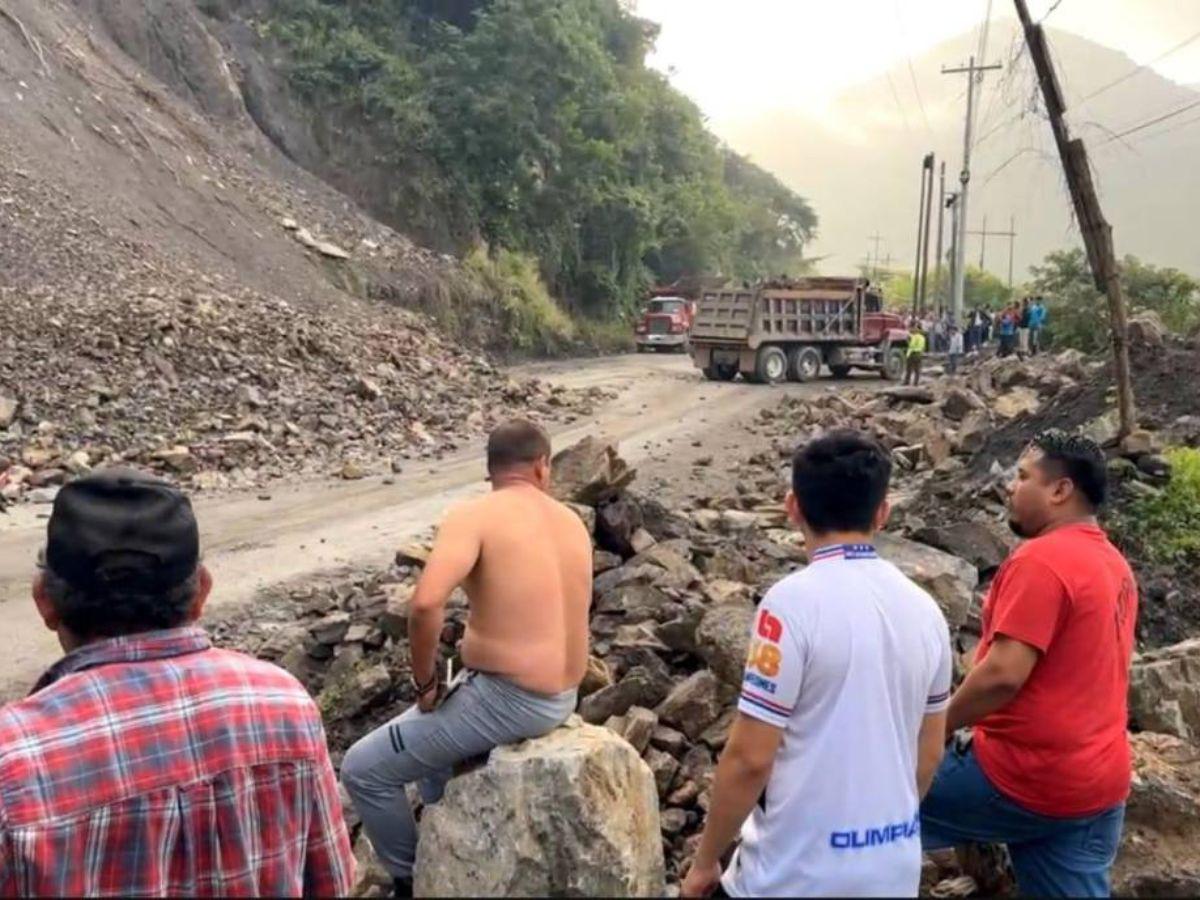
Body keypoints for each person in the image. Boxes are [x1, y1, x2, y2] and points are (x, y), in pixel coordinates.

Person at [0, 469, 354, 897]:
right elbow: (331, 883)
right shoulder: (284, 703)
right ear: (201, 592)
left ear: (45, 601)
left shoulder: (15, 758)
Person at [680, 431, 952, 898]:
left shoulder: (789, 605)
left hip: (794, 876)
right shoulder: (927, 610)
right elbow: (928, 753)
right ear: (882, 512)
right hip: (893, 870)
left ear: (793, 507)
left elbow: (750, 758)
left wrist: (705, 862)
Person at [340, 419, 591, 897]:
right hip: (564, 694)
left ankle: (413, 880)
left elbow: (425, 603)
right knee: (435, 756)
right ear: (542, 466)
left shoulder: (474, 515)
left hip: (513, 699)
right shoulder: (571, 521)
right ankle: (447, 837)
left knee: (362, 770)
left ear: (491, 471)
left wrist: (424, 684)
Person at [920, 431, 1138, 898]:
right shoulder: (1113, 562)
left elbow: (1001, 676)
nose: (1010, 488)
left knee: (864, 796)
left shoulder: (1042, 560)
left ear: (1060, 491)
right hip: (1100, 782)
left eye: (1022, 477)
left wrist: (937, 726)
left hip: (1025, 776)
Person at [904, 320, 926, 386]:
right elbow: (923, 347)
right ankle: (915, 383)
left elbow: (911, 345)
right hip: (919, 354)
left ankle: (906, 382)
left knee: (909, 369)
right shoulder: (922, 337)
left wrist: (907, 341)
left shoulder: (915, 336)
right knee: (917, 370)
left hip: (913, 353)